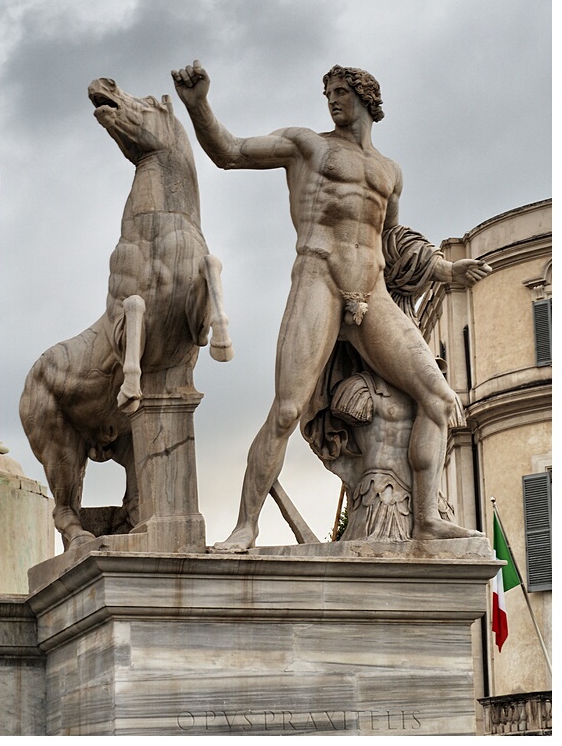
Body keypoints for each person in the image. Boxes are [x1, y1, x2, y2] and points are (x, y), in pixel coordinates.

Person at [172, 60, 491, 551]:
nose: (333, 101)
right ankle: (245, 527)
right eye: (328, 94)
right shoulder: (308, 145)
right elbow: (229, 152)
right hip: (318, 279)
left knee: (439, 398)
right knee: (286, 409)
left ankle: (426, 519)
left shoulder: (390, 172)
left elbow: (391, 239)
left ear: (366, 98)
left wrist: (444, 271)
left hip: (373, 292)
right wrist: (198, 106)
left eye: (341, 91)